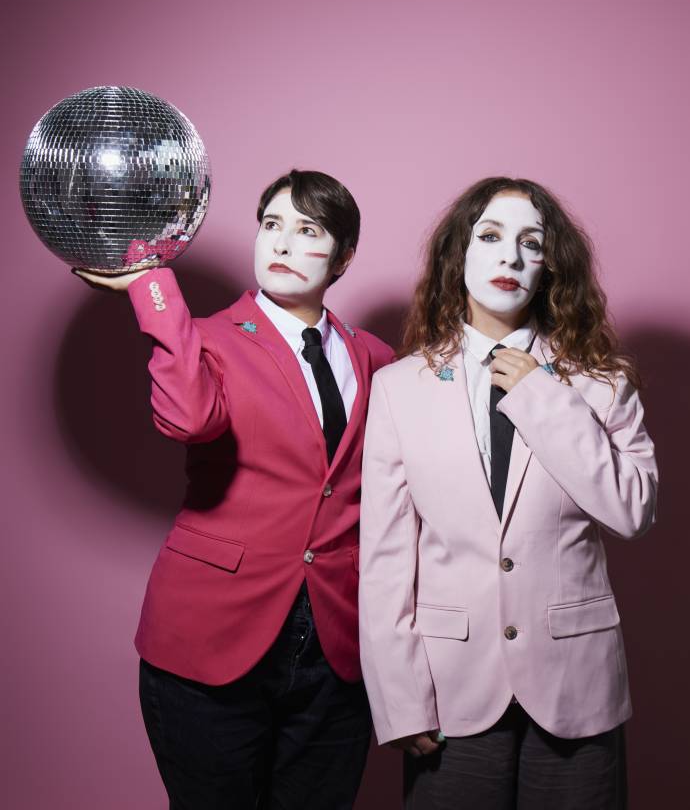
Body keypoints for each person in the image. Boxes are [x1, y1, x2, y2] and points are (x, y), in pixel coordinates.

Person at [76, 169, 394, 810]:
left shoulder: (377, 358)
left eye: (308, 230)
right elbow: (188, 419)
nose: (280, 243)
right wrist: (152, 291)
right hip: (209, 637)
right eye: (271, 225)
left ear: (344, 257)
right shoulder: (206, 339)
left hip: (338, 645)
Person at [358, 177, 657, 809]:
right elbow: (385, 559)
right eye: (489, 237)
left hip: (577, 690)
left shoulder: (601, 384)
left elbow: (632, 511)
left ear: (551, 268)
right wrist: (399, 699)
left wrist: (543, 397)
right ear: (457, 256)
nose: (510, 258)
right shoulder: (398, 388)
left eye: (531, 243)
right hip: (450, 692)